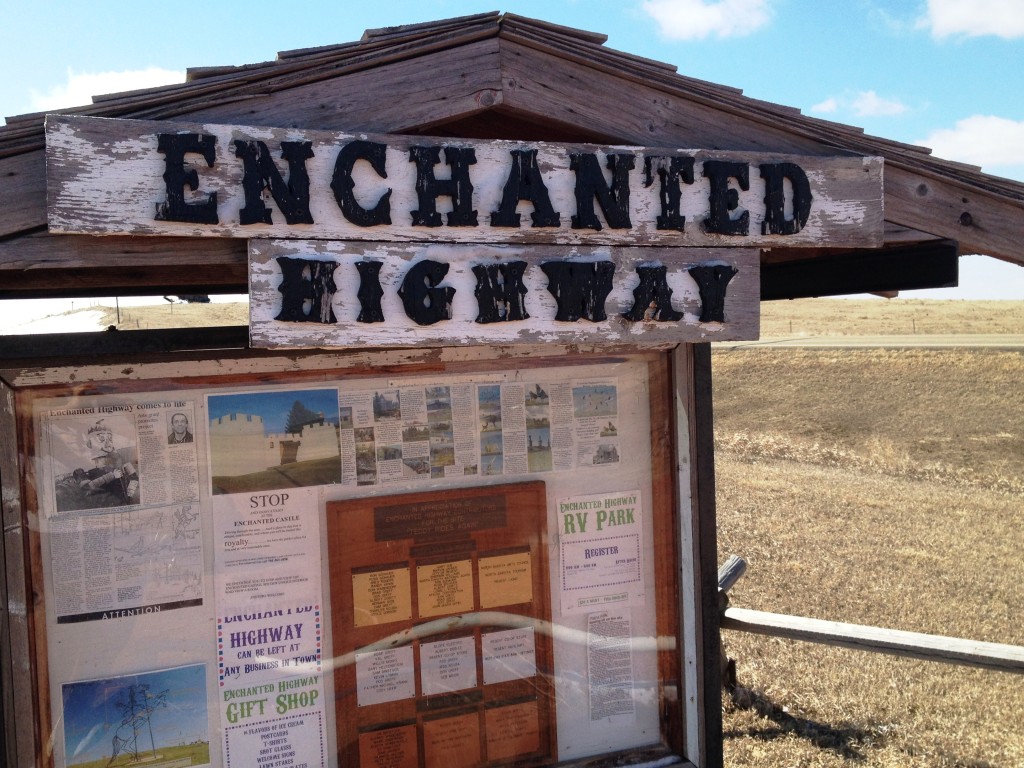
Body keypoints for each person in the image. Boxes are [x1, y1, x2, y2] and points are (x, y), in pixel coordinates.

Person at [84, 419, 140, 506]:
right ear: (90, 443)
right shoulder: (91, 466)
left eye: (110, 439)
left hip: (124, 501)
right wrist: (112, 476)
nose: (108, 444)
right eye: (101, 439)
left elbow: (134, 478)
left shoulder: (119, 460)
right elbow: (88, 487)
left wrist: (130, 494)